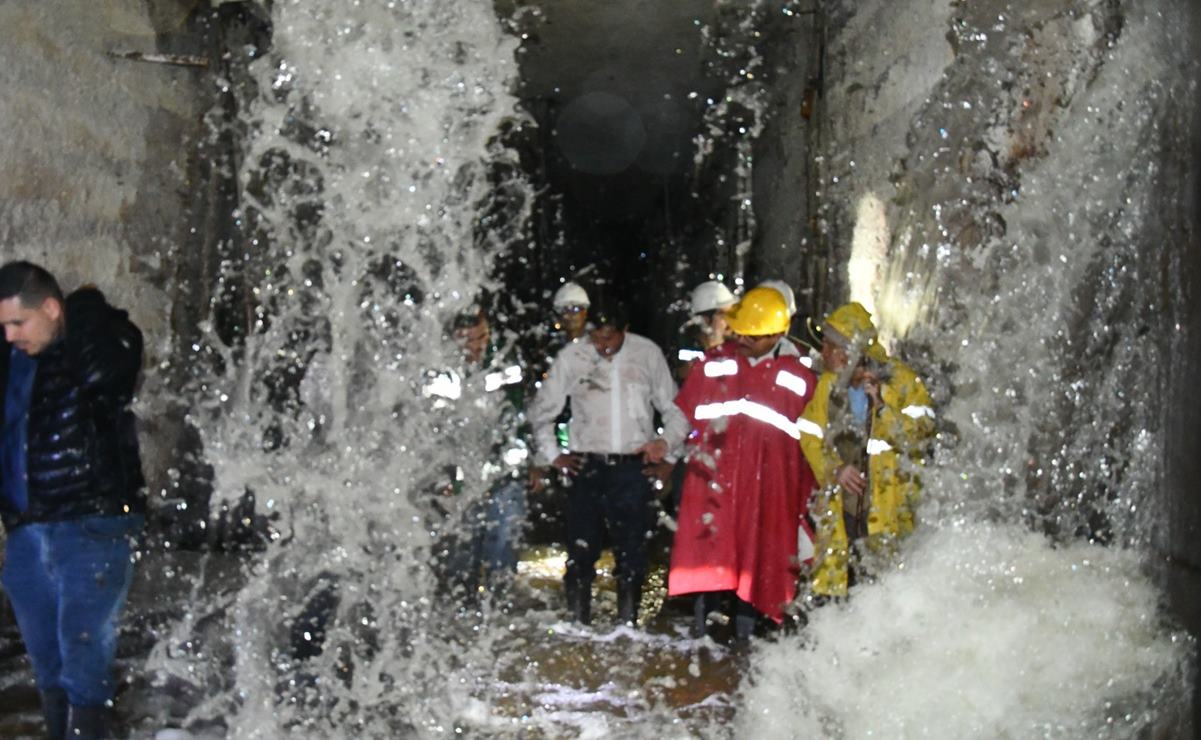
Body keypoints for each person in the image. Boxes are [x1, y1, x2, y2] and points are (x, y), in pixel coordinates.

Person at [0, 261, 145, 739]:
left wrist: (82, 308)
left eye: (18, 323)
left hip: (91, 525)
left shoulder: (99, 340)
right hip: (27, 530)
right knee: (48, 663)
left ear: (50, 308)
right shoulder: (13, 361)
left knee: (84, 663)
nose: (9, 335)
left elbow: (108, 377)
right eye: (2, 326)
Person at [667, 286, 818, 640]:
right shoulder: (714, 365)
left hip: (769, 492)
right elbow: (682, 415)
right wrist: (665, 448)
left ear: (777, 335)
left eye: (753, 336)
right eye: (742, 332)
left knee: (759, 563)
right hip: (714, 490)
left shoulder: (799, 378)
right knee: (708, 559)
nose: (744, 340)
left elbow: (813, 441)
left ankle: (746, 638)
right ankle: (702, 638)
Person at [527, 298, 687, 626]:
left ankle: (627, 625)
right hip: (586, 466)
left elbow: (676, 410)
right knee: (581, 548)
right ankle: (578, 622)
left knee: (632, 550)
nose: (603, 345)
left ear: (625, 330)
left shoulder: (647, 354)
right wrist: (553, 455)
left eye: (610, 337)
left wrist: (667, 449)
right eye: (596, 337)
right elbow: (542, 411)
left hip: (632, 467)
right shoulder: (572, 357)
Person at [799, 302, 935, 599]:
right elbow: (809, 434)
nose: (823, 351)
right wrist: (834, 469)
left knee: (885, 591)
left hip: (887, 507)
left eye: (829, 345)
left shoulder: (901, 382)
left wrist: (883, 409)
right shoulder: (828, 385)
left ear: (849, 352)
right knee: (838, 592)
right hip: (844, 508)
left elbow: (920, 434)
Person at [424, 309, 529, 600]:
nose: (475, 346)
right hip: (458, 476)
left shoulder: (505, 361)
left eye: (481, 337)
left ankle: (500, 610)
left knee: (503, 549)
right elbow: (431, 429)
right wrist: (441, 476)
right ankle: (462, 610)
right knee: (459, 555)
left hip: (503, 472)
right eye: (467, 340)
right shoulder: (439, 368)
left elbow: (519, 416)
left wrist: (523, 461)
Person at [676, 280, 737, 380]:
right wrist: (716, 345)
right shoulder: (689, 349)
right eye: (724, 314)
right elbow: (686, 376)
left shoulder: (740, 346)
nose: (731, 320)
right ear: (705, 319)